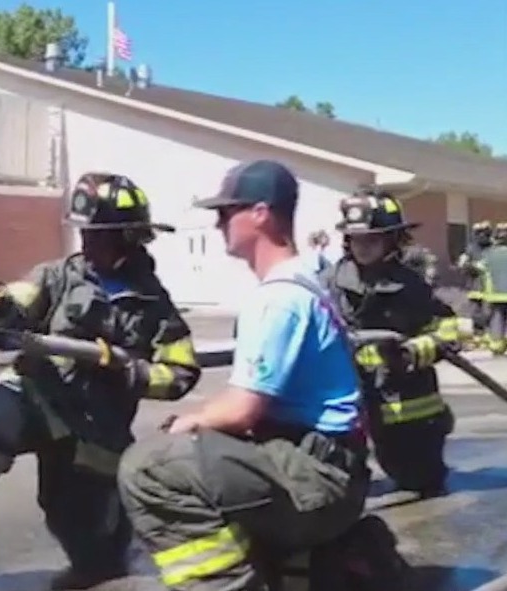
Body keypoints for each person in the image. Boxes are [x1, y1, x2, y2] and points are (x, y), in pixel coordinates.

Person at [0, 172, 203, 591]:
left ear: (130, 237)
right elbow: (23, 299)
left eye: (100, 235)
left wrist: (129, 372)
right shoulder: (57, 276)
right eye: (85, 233)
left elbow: (180, 371)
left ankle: (100, 560)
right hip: (37, 394)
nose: (89, 244)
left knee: (92, 543)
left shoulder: (154, 303)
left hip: (95, 427)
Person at [117, 160, 370, 591]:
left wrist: (188, 424)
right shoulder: (305, 282)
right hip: (328, 467)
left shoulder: (278, 299)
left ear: (260, 213)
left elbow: (241, 409)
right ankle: (307, 562)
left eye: (225, 212)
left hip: (318, 478)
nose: (218, 224)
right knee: (203, 451)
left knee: (149, 468)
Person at [322, 187, 461, 497]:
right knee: (340, 487)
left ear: (392, 240)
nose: (363, 247)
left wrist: (416, 351)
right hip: (351, 398)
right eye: (357, 239)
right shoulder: (330, 283)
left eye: (372, 239)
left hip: (408, 402)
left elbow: (447, 328)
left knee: (419, 480)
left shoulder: (411, 286)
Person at [458, 221, 493, 348]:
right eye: (479, 232)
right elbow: (463, 264)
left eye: (485, 232)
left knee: (491, 313)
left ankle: (492, 337)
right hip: (475, 286)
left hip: (492, 288)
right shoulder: (471, 248)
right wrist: (471, 266)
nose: (482, 235)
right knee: (476, 312)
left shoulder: (493, 247)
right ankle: (478, 336)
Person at [481, 222, 507, 354]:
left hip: (496, 294)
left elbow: (480, 269)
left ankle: (497, 346)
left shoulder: (489, 253)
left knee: (498, 319)